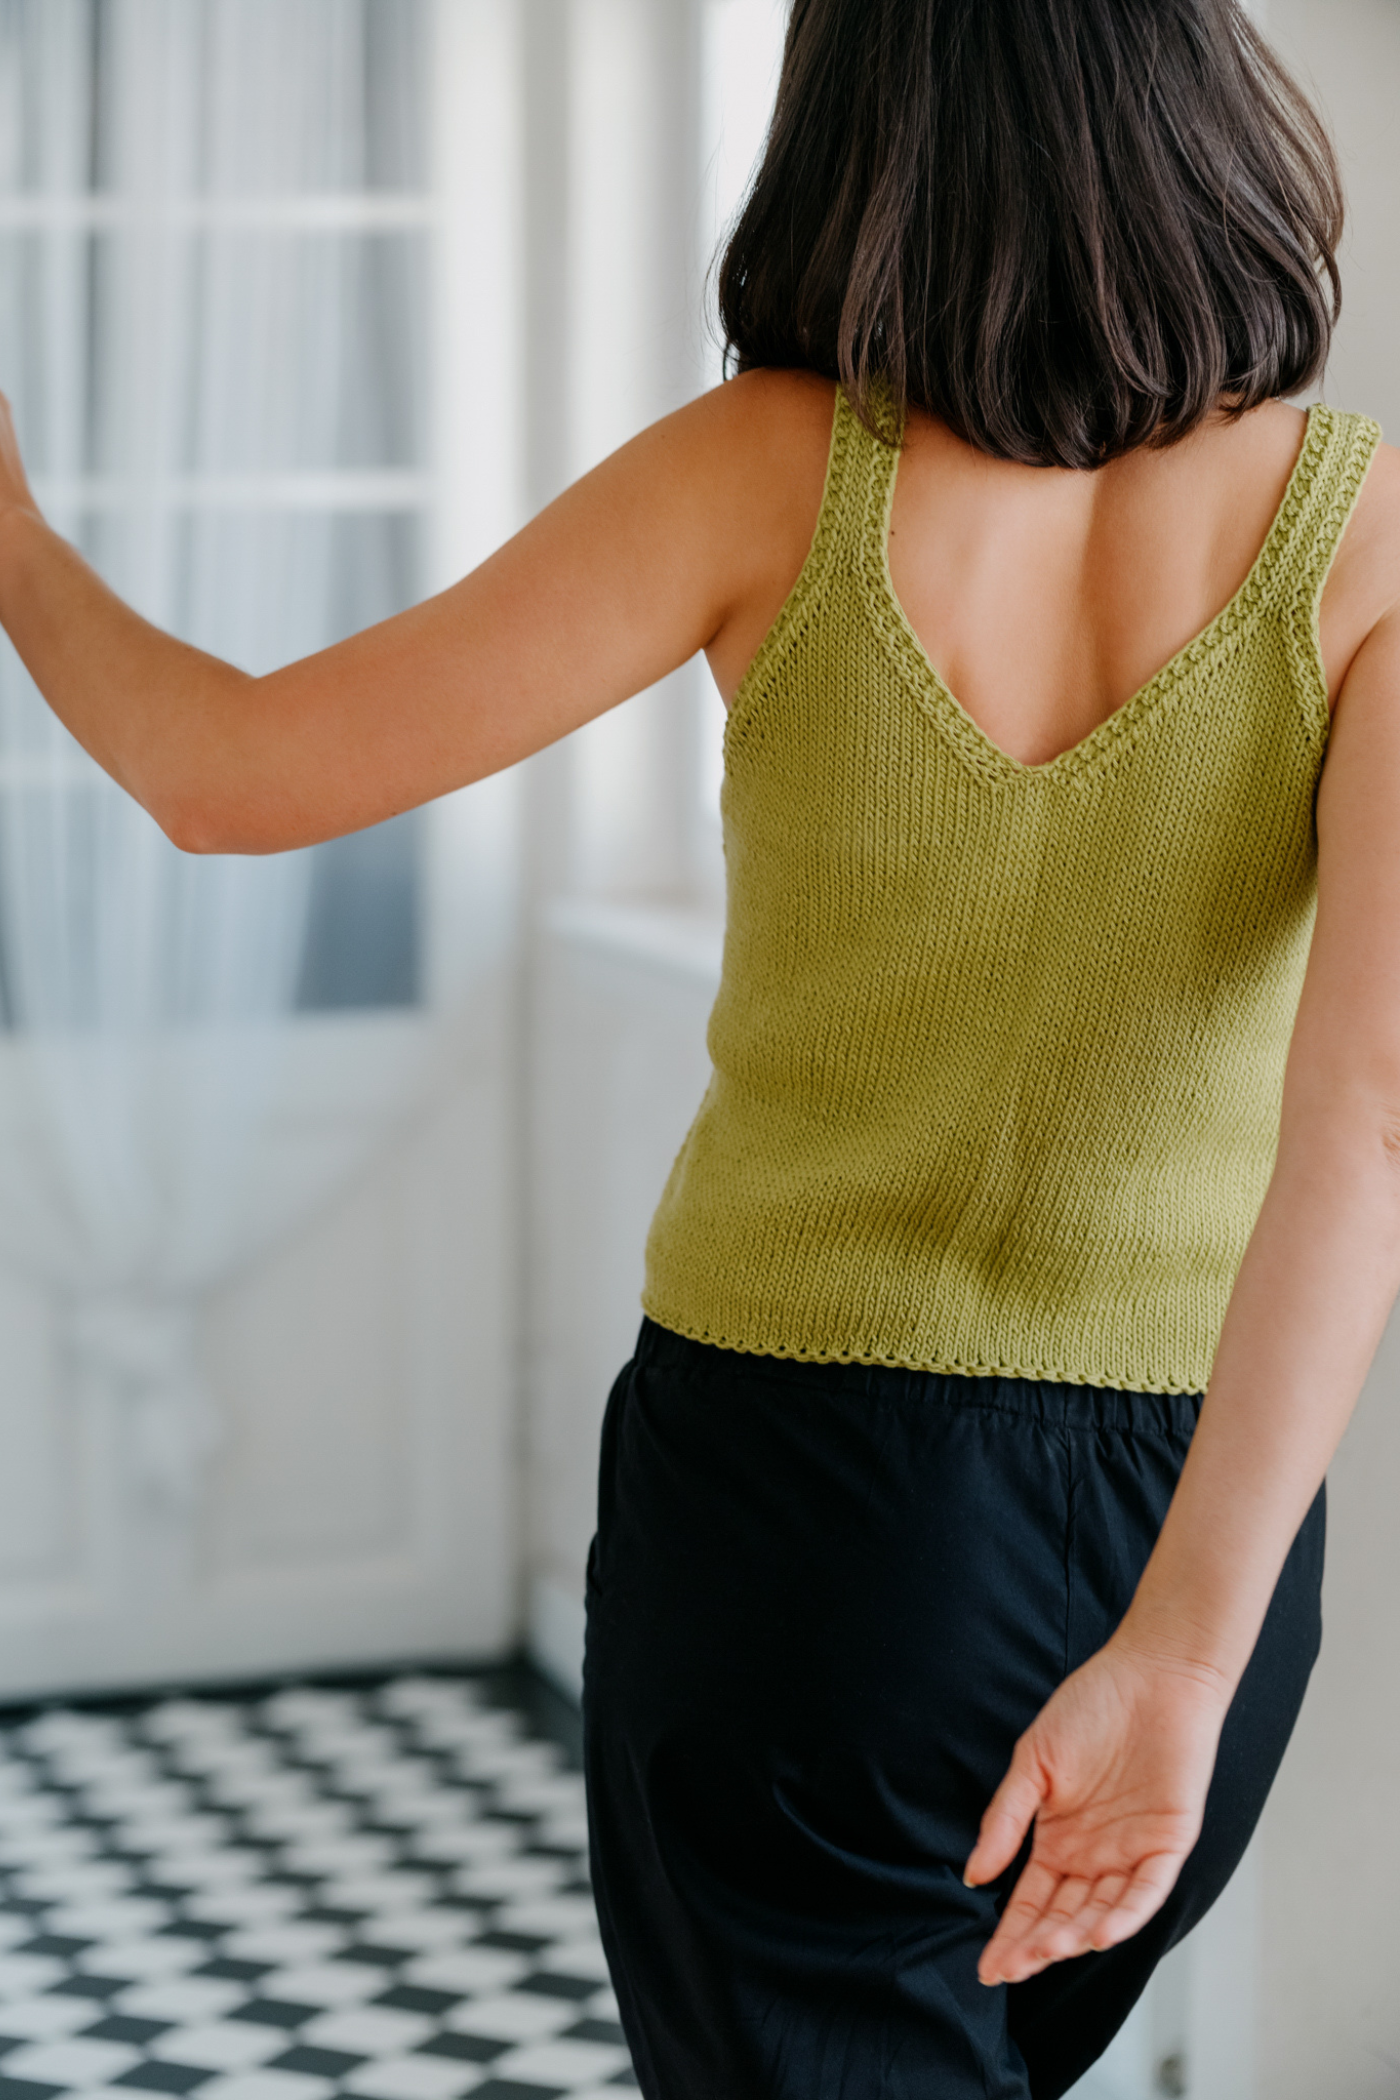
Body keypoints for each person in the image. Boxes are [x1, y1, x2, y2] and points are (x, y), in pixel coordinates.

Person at [0, 0, 1397, 2091]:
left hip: (801, 1516)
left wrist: (13, 533)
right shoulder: (1366, 532)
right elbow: (1360, 1130)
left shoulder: (772, 469)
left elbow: (228, 771)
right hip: (1194, 1532)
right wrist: (1186, 1651)